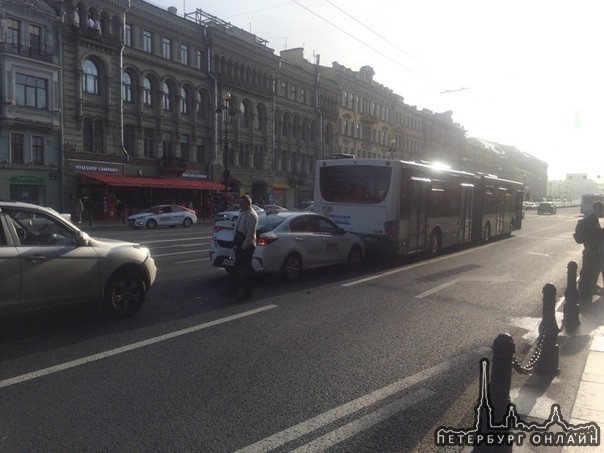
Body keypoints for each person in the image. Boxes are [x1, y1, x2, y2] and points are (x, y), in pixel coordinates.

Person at [222, 194, 258, 301]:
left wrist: (243, 247)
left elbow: (250, 234)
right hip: (240, 244)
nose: (240, 205)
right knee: (238, 269)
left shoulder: (252, 215)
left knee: (246, 271)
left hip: (247, 246)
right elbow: (238, 228)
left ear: (248, 204)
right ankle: (233, 291)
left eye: (242, 203)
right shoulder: (242, 212)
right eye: (240, 203)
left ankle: (247, 293)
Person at [578, 201, 604, 298]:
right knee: (589, 274)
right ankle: (586, 293)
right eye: (600, 209)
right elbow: (596, 236)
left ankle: (588, 290)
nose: (602, 211)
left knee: (589, 274)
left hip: (593, 252)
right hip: (593, 252)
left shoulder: (592, 220)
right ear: (595, 209)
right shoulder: (590, 221)